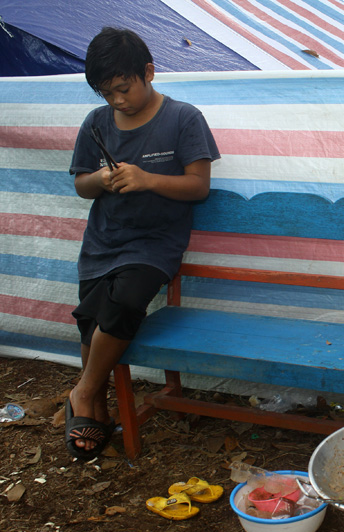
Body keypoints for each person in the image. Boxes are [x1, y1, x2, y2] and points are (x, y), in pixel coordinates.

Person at [66, 27, 220, 459]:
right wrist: (102, 178)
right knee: (91, 320)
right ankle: (96, 409)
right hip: (103, 242)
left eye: (122, 88)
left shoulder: (182, 118)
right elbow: (81, 184)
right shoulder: (96, 123)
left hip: (155, 243)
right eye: (105, 92)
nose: (116, 100)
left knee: (126, 299)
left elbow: (199, 186)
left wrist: (147, 178)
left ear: (148, 72)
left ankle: (81, 394)